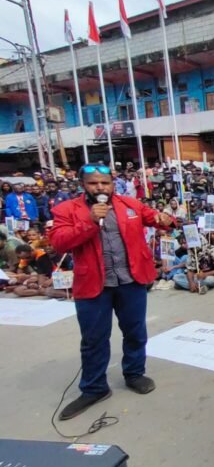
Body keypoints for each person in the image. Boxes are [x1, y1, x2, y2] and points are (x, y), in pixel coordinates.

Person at [49, 164, 174, 420]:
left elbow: (157, 219)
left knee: (135, 332)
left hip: (131, 281)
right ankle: (94, 388)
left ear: (112, 184)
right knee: (94, 339)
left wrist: (166, 219)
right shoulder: (66, 210)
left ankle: (134, 373)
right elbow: (59, 242)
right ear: (83, 184)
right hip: (94, 285)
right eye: (94, 183)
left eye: (104, 183)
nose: (100, 188)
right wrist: (90, 220)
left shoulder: (130, 204)